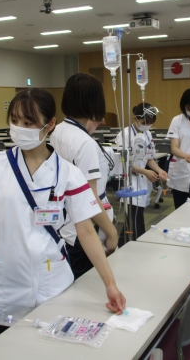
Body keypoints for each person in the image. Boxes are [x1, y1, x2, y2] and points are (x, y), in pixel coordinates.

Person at [0, 88, 125, 354]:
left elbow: (87, 232)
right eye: (14, 121)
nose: (19, 128)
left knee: (47, 352)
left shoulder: (68, 173)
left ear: (50, 124)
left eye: (28, 122)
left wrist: (110, 285)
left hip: (51, 285)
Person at [50, 73, 118, 279]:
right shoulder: (85, 143)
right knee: (86, 283)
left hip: (62, 225)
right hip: (83, 228)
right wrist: (112, 233)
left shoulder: (56, 132)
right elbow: (91, 198)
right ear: (95, 103)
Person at [114, 102, 168, 239]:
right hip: (129, 182)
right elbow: (124, 163)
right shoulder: (125, 135)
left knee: (134, 221)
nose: (147, 125)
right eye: (145, 122)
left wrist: (159, 170)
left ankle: (123, 245)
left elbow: (149, 158)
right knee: (134, 222)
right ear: (135, 118)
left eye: (150, 123)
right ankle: (130, 245)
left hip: (142, 182)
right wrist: (145, 172)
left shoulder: (148, 134)